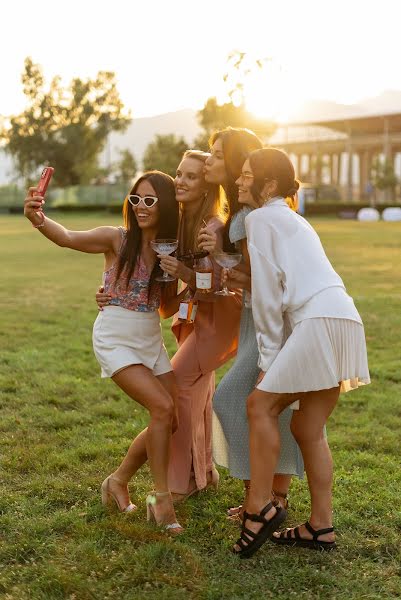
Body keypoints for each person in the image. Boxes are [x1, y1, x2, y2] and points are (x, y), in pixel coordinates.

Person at [23, 171, 184, 533]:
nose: (141, 207)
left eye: (150, 200)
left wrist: (183, 279)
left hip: (149, 337)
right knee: (161, 407)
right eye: (136, 199)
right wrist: (38, 218)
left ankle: (117, 481)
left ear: (167, 206)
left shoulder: (167, 250)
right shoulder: (117, 239)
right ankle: (162, 502)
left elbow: (165, 308)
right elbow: (67, 237)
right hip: (115, 336)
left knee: (171, 419)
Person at [231, 148, 370, 558]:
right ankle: (320, 526)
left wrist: (267, 362)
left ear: (268, 185)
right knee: (307, 428)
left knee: (259, 405)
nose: (239, 181)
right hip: (344, 317)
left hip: (318, 320)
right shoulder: (295, 219)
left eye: (245, 174)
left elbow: (269, 298)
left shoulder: (259, 218)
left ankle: (258, 508)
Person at [97, 149, 242, 502]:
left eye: (191, 176)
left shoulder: (214, 227)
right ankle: (201, 473)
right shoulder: (178, 225)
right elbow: (157, 293)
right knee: (197, 396)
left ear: (207, 186)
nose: (180, 181)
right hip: (192, 318)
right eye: (179, 173)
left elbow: (222, 286)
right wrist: (112, 292)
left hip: (217, 318)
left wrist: (189, 276)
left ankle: (170, 483)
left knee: (174, 399)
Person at [198, 128, 303, 520]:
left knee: (231, 400)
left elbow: (260, 275)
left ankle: (259, 498)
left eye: (217, 154)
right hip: (251, 317)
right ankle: (272, 497)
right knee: (275, 407)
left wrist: (229, 268)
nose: (210, 160)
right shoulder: (243, 212)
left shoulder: (247, 216)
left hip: (266, 318)